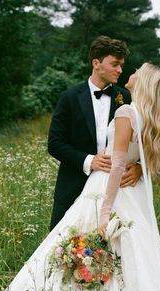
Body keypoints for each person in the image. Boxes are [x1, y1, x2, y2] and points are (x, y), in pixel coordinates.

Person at [0, 63, 160, 291]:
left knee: (98, 239)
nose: (128, 72)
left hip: (108, 187)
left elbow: (119, 164)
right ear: (96, 62)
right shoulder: (150, 114)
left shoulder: (126, 111)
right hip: (132, 193)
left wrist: (104, 210)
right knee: (135, 251)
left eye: (136, 71)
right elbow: (144, 153)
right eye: (118, 64)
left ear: (142, 82)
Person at [48, 35, 142, 230]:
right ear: (96, 63)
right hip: (72, 185)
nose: (120, 70)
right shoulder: (69, 97)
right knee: (62, 248)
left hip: (114, 191)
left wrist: (140, 166)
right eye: (115, 64)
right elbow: (55, 144)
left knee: (108, 250)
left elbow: (142, 139)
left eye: (121, 65)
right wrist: (90, 161)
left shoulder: (125, 97)